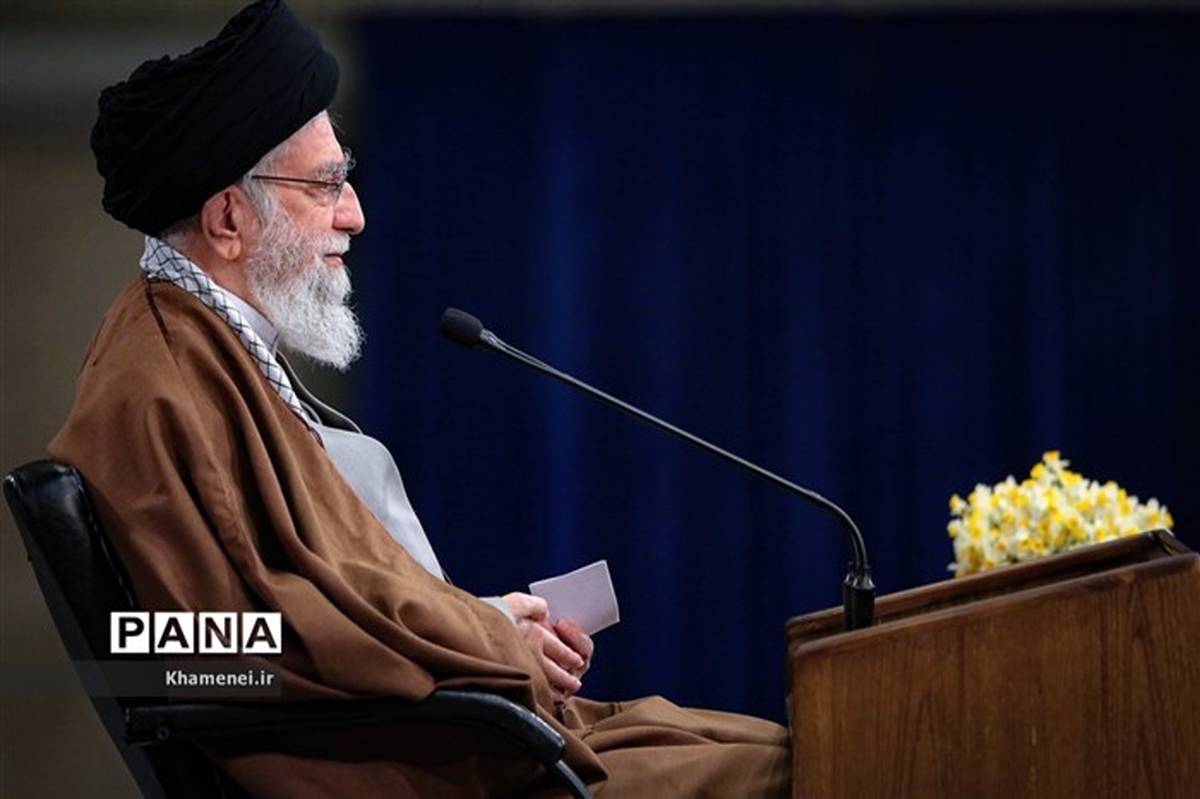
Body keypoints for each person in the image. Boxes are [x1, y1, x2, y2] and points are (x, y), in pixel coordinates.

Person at [50, 1, 791, 796]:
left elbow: (313, 598)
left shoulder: (206, 344)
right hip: (390, 762)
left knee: (785, 740)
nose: (355, 214)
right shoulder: (156, 383)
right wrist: (479, 642)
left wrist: (481, 621)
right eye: (325, 185)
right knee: (788, 766)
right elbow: (160, 656)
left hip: (435, 723)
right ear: (228, 218)